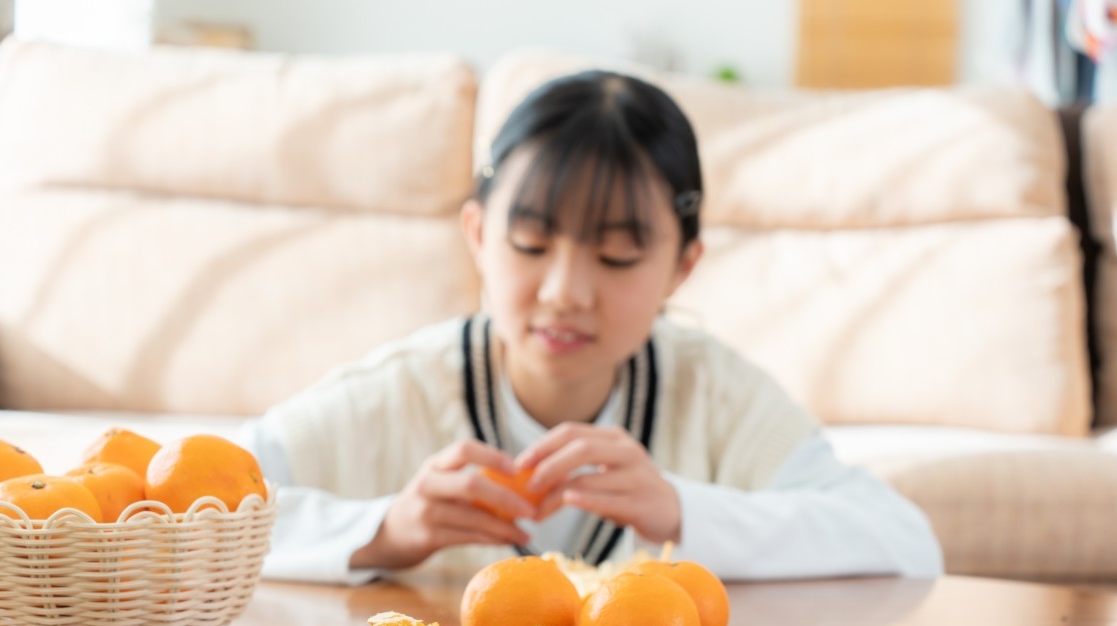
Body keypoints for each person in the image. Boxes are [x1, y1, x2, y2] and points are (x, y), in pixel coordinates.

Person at [240, 69, 944, 585]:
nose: (565, 292)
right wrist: (381, 532)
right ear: (478, 235)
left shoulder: (715, 393)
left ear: (682, 267)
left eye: (618, 255)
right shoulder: (398, 392)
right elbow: (174, 511)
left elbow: (906, 542)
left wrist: (681, 511)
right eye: (531, 244)